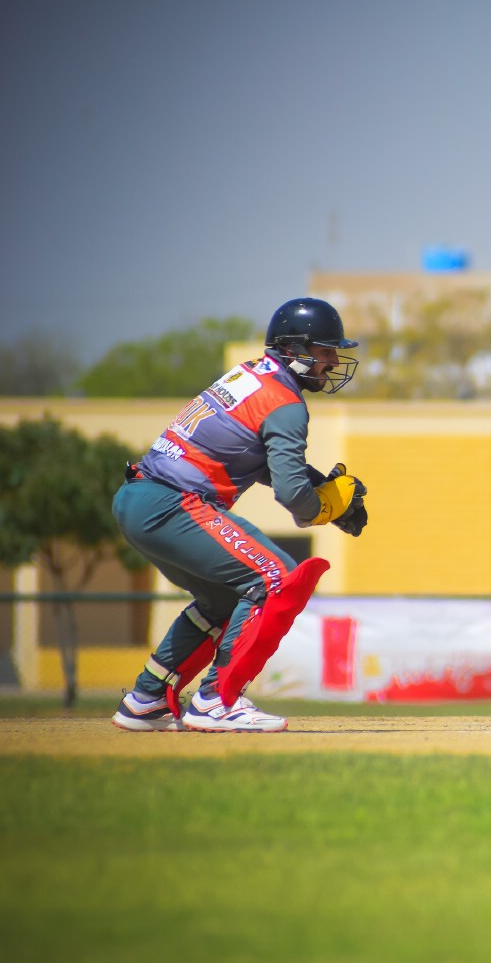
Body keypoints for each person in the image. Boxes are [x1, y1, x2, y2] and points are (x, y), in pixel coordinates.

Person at [110, 297, 368, 733]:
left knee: (224, 601)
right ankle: (217, 700)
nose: (332, 361)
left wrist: (322, 485)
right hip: (172, 502)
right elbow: (294, 497)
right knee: (276, 578)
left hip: (139, 498)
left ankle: (146, 699)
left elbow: (254, 457)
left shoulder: (250, 376)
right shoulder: (286, 401)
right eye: (325, 350)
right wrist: (325, 505)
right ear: (294, 349)